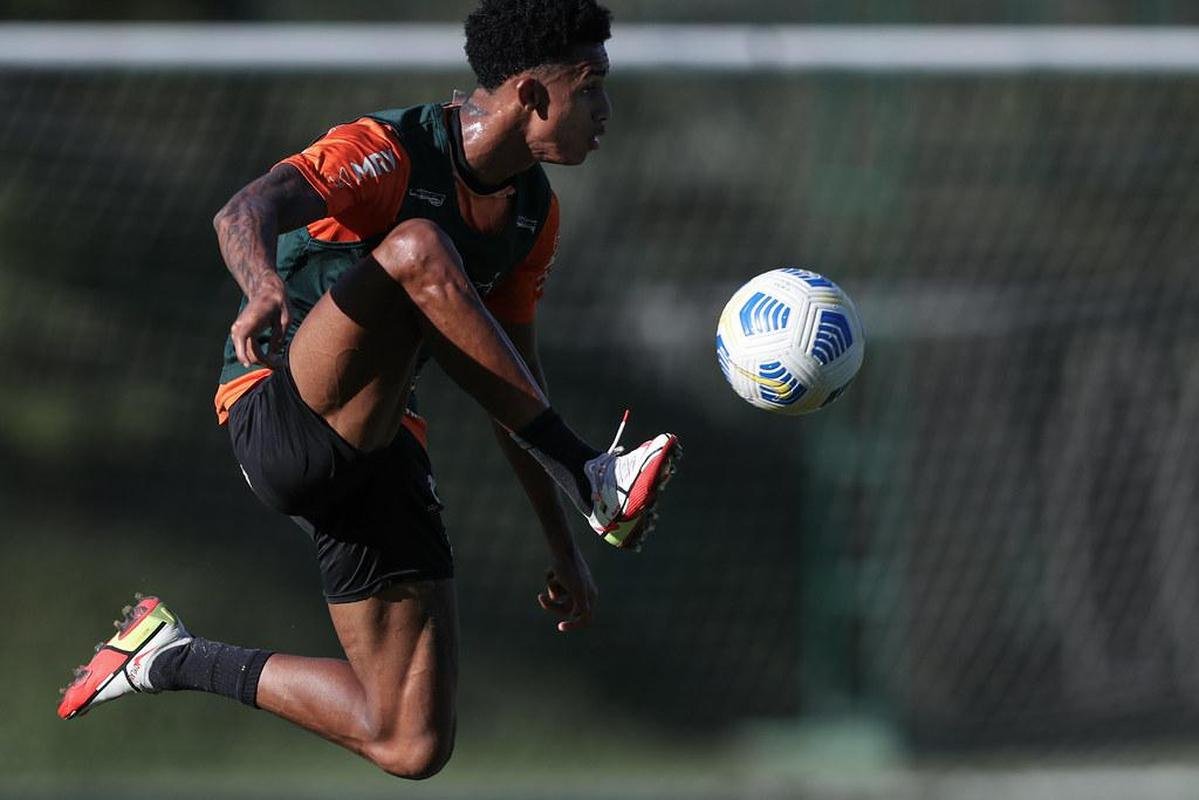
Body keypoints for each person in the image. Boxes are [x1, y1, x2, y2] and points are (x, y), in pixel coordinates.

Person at [55, 0, 681, 780]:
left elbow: (511, 388)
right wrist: (257, 288)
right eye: (591, 88)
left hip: (377, 449)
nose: (604, 111)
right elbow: (241, 210)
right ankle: (593, 476)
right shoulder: (389, 149)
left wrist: (563, 548)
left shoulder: (532, 218)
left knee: (409, 741)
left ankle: (170, 658)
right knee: (418, 247)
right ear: (528, 94)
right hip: (279, 408)